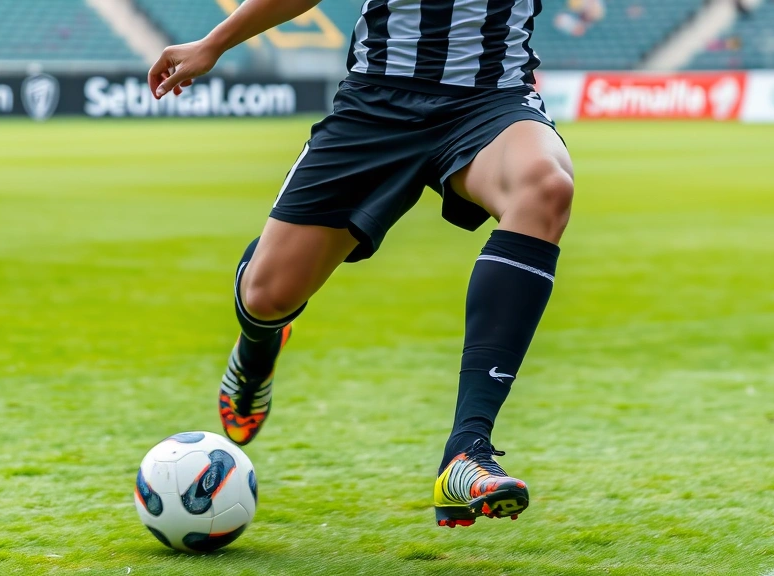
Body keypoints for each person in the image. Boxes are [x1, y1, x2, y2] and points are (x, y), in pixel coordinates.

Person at [148, 0, 574, 528]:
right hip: (378, 104)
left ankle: (466, 453)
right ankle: (257, 350)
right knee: (267, 296)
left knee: (546, 186)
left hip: (493, 98)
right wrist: (214, 43)